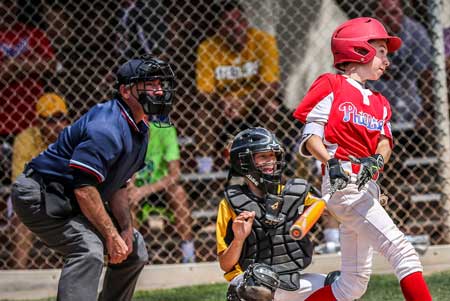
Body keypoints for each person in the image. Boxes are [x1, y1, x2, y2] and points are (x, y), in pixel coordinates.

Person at [11, 55, 175, 300]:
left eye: (160, 84)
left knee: (135, 249)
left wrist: (126, 229)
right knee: (87, 249)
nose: (159, 90)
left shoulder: (139, 128)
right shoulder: (107, 127)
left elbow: (119, 184)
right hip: (40, 193)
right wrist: (111, 235)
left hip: (71, 195)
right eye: (150, 84)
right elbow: (84, 188)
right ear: (125, 90)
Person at [293, 17, 432, 301]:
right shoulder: (331, 85)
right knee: (403, 252)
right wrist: (330, 161)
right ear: (359, 50)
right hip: (343, 183)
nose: (387, 60)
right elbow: (310, 137)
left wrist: (377, 162)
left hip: (366, 186)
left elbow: (384, 143)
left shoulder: (380, 102)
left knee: (352, 284)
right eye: (381, 51)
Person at [216, 127, 340, 301]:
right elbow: (225, 264)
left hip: (289, 281)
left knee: (342, 286)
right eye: (263, 156)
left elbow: (335, 210)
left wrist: (359, 200)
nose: (271, 161)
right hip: (247, 284)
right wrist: (238, 239)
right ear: (244, 161)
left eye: (273, 156)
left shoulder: (295, 193)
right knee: (259, 282)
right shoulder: (231, 203)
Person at [195, 0, 281, 162]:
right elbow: (203, 92)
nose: (236, 28)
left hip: (255, 105)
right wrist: (221, 102)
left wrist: (243, 101)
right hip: (222, 109)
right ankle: (204, 171)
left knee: (271, 106)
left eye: (240, 21)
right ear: (219, 29)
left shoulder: (263, 40)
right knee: (203, 115)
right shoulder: (208, 48)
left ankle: (270, 159)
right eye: (229, 24)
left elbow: (272, 86)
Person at [10, 92, 70, 269]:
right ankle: (20, 274)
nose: (57, 125)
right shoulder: (25, 138)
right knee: (19, 216)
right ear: (39, 122)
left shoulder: (73, 137)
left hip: (64, 192)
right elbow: (20, 180)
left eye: (61, 118)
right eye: (50, 120)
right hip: (32, 192)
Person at [0, 0, 56, 185]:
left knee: (29, 172)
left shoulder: (31, 32)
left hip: (32, 116)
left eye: (10, 2)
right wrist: (30, 64)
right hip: (4, 117)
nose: (7, 6)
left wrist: (16, 66)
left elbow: (50, 64)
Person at [128, 121, 196, 263]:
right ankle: (134, 253)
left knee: (179, 192)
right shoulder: (126, 131)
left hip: (160, 188)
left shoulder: (164, 130)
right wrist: (132, 187)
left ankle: (188, 252)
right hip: (136, 187)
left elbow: (175, 174)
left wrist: (144, 191)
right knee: (127, 198)